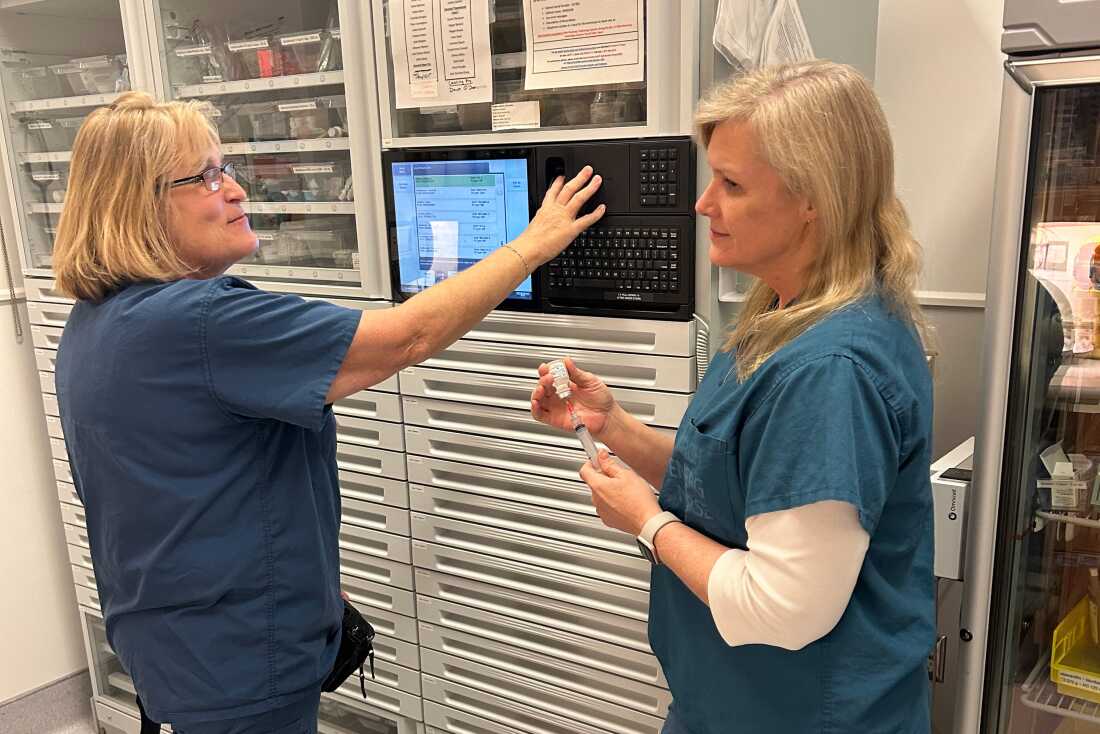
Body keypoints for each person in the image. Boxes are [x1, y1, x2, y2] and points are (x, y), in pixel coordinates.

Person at [51, 91, 604, 734]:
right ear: (138, 204)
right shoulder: (200, 322)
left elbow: (178, 493)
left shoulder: (94, 324)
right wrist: (531, 245)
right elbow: (408, 337)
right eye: (204, 176)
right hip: (237, 668)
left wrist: (305, 584)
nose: (232, 190)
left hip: (170, 645)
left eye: (225, 169)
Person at [531, 60, 934, 734]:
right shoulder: (783, 315)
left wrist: (646, 522)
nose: (703, 203)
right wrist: (617, 426)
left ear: (815, 198)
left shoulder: (831, 368)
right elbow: (733, 483)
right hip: (727, 701)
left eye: (732, 183)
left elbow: (783, 607)